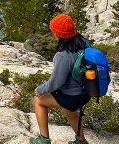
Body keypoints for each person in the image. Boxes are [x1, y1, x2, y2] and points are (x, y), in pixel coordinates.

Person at [30, 14, 91, 144]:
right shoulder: (84, 43)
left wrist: (40, 90)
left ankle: (43, 140)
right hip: (85, 93)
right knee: (71, 113)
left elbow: (56, 82)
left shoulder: (63, 55)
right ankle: (81, 141)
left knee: (39, 100)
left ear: (58, 34)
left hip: (72, 96)